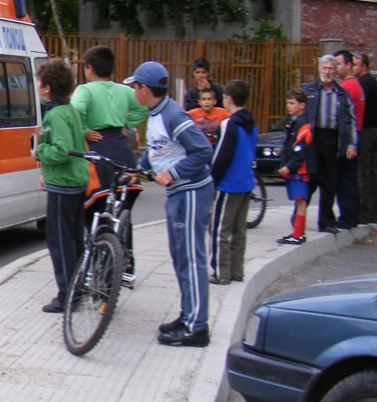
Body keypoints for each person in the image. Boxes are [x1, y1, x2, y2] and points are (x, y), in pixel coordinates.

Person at [124, 61, 213, 347]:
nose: (133, 91)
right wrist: (139, 168)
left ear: (145, 89)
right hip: (178, 193)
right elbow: (157, 149)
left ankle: (197, 328)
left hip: (190, 192)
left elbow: (203, 151)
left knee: (191, 257)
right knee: (180, 256)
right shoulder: (156, 113)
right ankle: (188, 316)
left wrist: (173, 173)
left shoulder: (173, 115)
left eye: (135, 86)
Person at [33, 59, 90, 313]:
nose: (37, 84)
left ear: (47, 88)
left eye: (39, 81)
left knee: (60, 241)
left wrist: (39, 152)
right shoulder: (69, 110)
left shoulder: (55, 115)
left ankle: (67, 294)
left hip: (63, 185)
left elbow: (61, 150)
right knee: (75, 239)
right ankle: (79, 286)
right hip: (75, 181)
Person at [71, 46, 148, 189]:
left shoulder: (85, 90)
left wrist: (84, 130)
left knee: (100, 194)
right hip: (121, 146)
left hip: (97, 145)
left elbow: (76, 108)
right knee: (124, 191)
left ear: (89, 68)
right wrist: (128, 123)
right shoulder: (124, 90)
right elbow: (144, 107)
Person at [208, 80, 257, 284]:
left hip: (229, 183)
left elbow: (221, 156)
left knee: (220, 229)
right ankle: (237, 271)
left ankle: (221, 272)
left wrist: (213, 179)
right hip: (246, 181)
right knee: (239, 230)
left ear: (228, 98)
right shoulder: (251, 123)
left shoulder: (229, 124)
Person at [302, 55, 357, 234]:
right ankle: (299, 215)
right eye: (324, 68)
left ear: (336, 71)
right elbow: (297, 115)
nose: (327, 72)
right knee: (310, 180)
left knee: (329, 182)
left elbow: (351, 120)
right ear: (319, 69)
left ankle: (326, 221)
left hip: (333, 140)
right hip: (313, 138)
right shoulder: (308, 90)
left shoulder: (343, 94)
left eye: (331, 68)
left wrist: (352, 145)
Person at [276, 89, 315, 245]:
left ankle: (298, 234)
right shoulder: (296, 121)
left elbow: (300, 149)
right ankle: (298, 232)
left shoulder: (303, 123)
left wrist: (289, 166)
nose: (289, 106)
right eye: (288, 103)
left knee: (300, 200)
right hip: (297, 168)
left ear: (302, 105)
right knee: (299, 200)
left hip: (300, 169)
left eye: (292, 103)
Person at [333, 50, 363, 229]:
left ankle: (347, 217)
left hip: (349, 137)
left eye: (339, 63)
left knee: (344, 179)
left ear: (349, 65)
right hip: (357, 134)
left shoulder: (347, 88)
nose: (336, 67)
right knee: (350, 178)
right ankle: (353, 215)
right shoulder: (356, 85)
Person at [353, 52, 377, 224]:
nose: (352, 67)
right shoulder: (372, 82)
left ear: (363, 66)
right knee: (371, 171)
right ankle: (374, 210)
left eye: (355, 64)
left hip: (367, 130)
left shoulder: (365, 83)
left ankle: (365, 212)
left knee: (364, 172)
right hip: (373, 130)